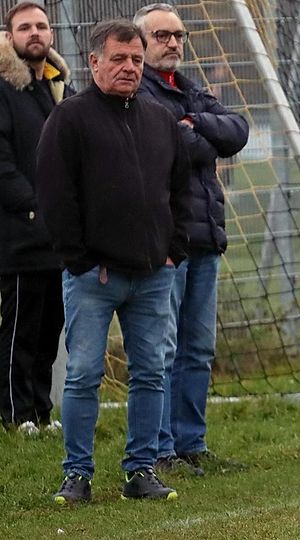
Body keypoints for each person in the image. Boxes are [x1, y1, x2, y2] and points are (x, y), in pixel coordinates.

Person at [35, 19, 191, 503]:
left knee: (150, 372)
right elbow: (54, 195)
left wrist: (172, 251)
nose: (129, 67)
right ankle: (77, 475)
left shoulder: (160, 120)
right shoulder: (69, 119)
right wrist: (80, 260)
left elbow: (181, 191)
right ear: (95, 62)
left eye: (136, 60)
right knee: (84, 375)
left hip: (153, 276)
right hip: (94, 278)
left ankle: (140, 472)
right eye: (119, 58)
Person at [134, 2, 249, 476]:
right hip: (167, 242)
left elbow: (238, 129)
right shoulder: (138, 92)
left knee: (198, 348)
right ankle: (160, 449)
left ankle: (191, 443)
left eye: (178, 35)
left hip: (206, 237)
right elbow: (168, 146)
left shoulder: (188, 90)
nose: (173, 43)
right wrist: (202, 137)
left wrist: (197, 123)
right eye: (162, 35)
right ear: (141, 43)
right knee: (161, 348)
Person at [0, 1, 73, 435]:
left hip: (58, 237)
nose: (35, 33)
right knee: (20, 330)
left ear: (51, 34)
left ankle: (42, 412)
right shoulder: (3, 88)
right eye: (25, 27)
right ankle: (15, 413)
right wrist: (32, 206)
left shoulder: (57, 86)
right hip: (19, 235)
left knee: (49, 332)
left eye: (41, 26)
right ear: (9, 36)